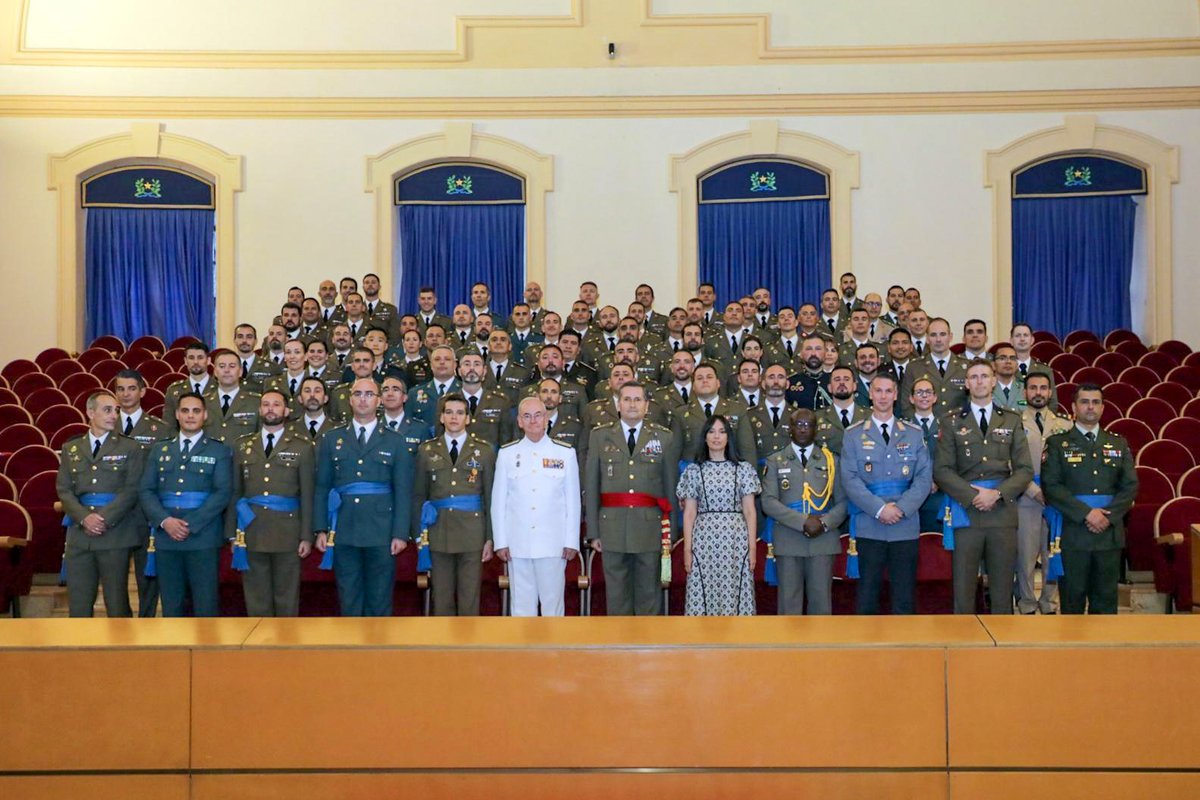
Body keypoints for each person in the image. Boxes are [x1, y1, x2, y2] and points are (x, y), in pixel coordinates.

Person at [934, 359, 1033, 614]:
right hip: (966, 512)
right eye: (974, 377)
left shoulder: (1011, 420)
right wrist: (973, 496)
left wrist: (997, 494)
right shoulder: (951, 421)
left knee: (1002, 590)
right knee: (964, 589)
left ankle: (1000, 649)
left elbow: (1024, 470)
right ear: (967, 383)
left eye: (984, 376)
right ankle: (963, 647)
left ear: (993, 381)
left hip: (1002, 511)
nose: (979, 381)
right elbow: (942, 470)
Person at [314, 377, 413, 617]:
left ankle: (377, 653)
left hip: (381, 530)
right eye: (358, 394)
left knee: (379, 598)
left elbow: (403, 490)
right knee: (349, 596)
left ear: (378, 400)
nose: (363, 399)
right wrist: (320, 528)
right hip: (344, 529)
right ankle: (350, 653)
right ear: (349, 399)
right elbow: (322, 486)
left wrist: (400, 533)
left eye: (369, 394)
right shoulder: (331, 439)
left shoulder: (396, 440)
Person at [584, 382, 681, 616]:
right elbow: (592, 485)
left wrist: (671, 534)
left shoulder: (664, 438)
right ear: (618, 404)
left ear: (647, 406)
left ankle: (648, 647)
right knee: (616, 595)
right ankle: (619, 647)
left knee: (649, 593)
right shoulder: (599, 436)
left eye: (638, 400)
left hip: (650, 528)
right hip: (612, 527)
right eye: (627, 399)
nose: (632, 404)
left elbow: (670, 488)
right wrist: (594, 531)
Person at [840, 374, 933, 615]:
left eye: (888, 391)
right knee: (867, 595)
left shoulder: (913, 433)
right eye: (878, 391)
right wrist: (880, 509)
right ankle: (867, 650)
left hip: (905, 524)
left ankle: (904, 650)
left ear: (895, 395)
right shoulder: (853, 434)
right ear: (870, 394)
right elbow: (849, 479)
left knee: (904, 596)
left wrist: (900, 508)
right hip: (870, 522)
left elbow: (924, 477)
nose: (882, 396)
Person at [1042, 384, 1138, 615]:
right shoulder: (1057, 443)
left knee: (1105, 602)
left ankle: (1104, 652)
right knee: (1072, 600)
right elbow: (1052, 486)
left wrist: (1108, 516)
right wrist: (1087, 513)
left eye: (1096, 402)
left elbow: (1130, 486)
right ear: (1074, 407)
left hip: (1109, 534)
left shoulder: (1118, 443)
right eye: (1085, 402)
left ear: (1103, 408)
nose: (1090, 407)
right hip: (1074, 533)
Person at [138, 392, 233, 617]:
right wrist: (165, 521)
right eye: (185, 411)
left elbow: (223, 492)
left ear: (205, 415)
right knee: (172, 604)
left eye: (196, 411)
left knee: (205, 602)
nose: (190, 416)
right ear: (177, 415)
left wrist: (190, 524)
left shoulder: (218, 450)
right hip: (166, 537)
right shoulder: (160, 449)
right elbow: (146, 490)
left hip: (203, 536)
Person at [56, 391, 147, 618]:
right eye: (107, 410)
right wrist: (84, 517)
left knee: (116, 602)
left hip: (115, 533)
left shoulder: (130, 448)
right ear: (90, 412)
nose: (113, 415)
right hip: (79, 534)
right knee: (78, 603)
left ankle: (121, 653)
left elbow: (132, 489)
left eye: (116, 410)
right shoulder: (72, 448)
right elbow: (64, 490)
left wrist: (104, 518)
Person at [226, 390, 314, 617]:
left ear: (286, 411)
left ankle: (285, 646)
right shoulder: (243, 445)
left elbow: (307, 494)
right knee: (256, 598)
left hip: (288, 532)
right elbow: (235, 491)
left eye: (276, 404)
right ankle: (258, 647)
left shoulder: (302, 447)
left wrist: (306, 536)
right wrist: (232, 533)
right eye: (266, 404)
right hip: (251, 529)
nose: (271, 409)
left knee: (286, 596)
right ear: (259, 410)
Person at [492, 397, 581, 617]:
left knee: (553, 609)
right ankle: (523, 652)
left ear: (547, 419)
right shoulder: (507, 454)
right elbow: (498, 501)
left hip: (553, 544)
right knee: (521, 609)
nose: (533, 421)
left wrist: (571, 541)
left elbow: (573, 501)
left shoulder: (565, 453)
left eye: (538, 415)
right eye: (527, 416)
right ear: (519, 422)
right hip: (517, 544)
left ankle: (555, 652)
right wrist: (501, 541)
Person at [413, 394, 495, 616]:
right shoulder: (427, 450)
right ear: (441, 417)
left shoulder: (484, 451)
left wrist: (489, 537)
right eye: (449, 412)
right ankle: (443, 649)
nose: (454, 417)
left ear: (468, 419)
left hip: (472, 532)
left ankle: (470, 649)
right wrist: (419, 534)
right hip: (438, 531)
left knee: (470, 597)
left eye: (460, 413)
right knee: (441, 597)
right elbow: (419, 495)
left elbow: (490, 498)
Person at [760, 408, 846, 615]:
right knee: (789, 603)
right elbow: (768, 502)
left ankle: (819, 647)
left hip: (823, 540)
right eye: (799, 424)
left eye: (808, 425)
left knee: (821, 604)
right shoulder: (775, 460)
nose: (803, 429)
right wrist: (803, 522)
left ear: (816, 430)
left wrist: (824, 523)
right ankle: (789, 648)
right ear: (790, 429)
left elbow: (844, 502)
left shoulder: (831, 461)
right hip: (789, 538)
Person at [677, 415, 760, 616]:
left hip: (736, 540)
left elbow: (750, 511)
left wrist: (752, 546)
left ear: (729, 437)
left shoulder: (743, 469)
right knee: (704, 590)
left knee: (735, 589)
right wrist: (687, 549)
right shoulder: (693, 471)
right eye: (711, 431)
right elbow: (689, 513)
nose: (716, 437)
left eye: (722, 432)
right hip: (703, 540)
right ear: (704, 437)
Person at [1014, 372, 1073, 614]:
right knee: (1025, 556)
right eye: (1033, 388)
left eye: (1043, 388)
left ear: (1050, 392)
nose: (1038, 392)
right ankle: (1026, 603)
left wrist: (1055, 493)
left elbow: (1071, 465)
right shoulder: (1014, 423)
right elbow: (1010, 462)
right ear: (1025, 392)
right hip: (1025, 497)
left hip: (1055, 501)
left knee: (1053, 555)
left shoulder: (1065, 425)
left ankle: (1049, 603)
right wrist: (1032, 490)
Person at [111, 369, 166, 616]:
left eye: (131, 388)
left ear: (142, 391)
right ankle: (122, 625)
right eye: (120, 389)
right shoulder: (104, 426)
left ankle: (147, 622)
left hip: (146, 514)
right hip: (115, 514)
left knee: (148, 574)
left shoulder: (160, 430)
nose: (126, 394)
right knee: (115, 577)